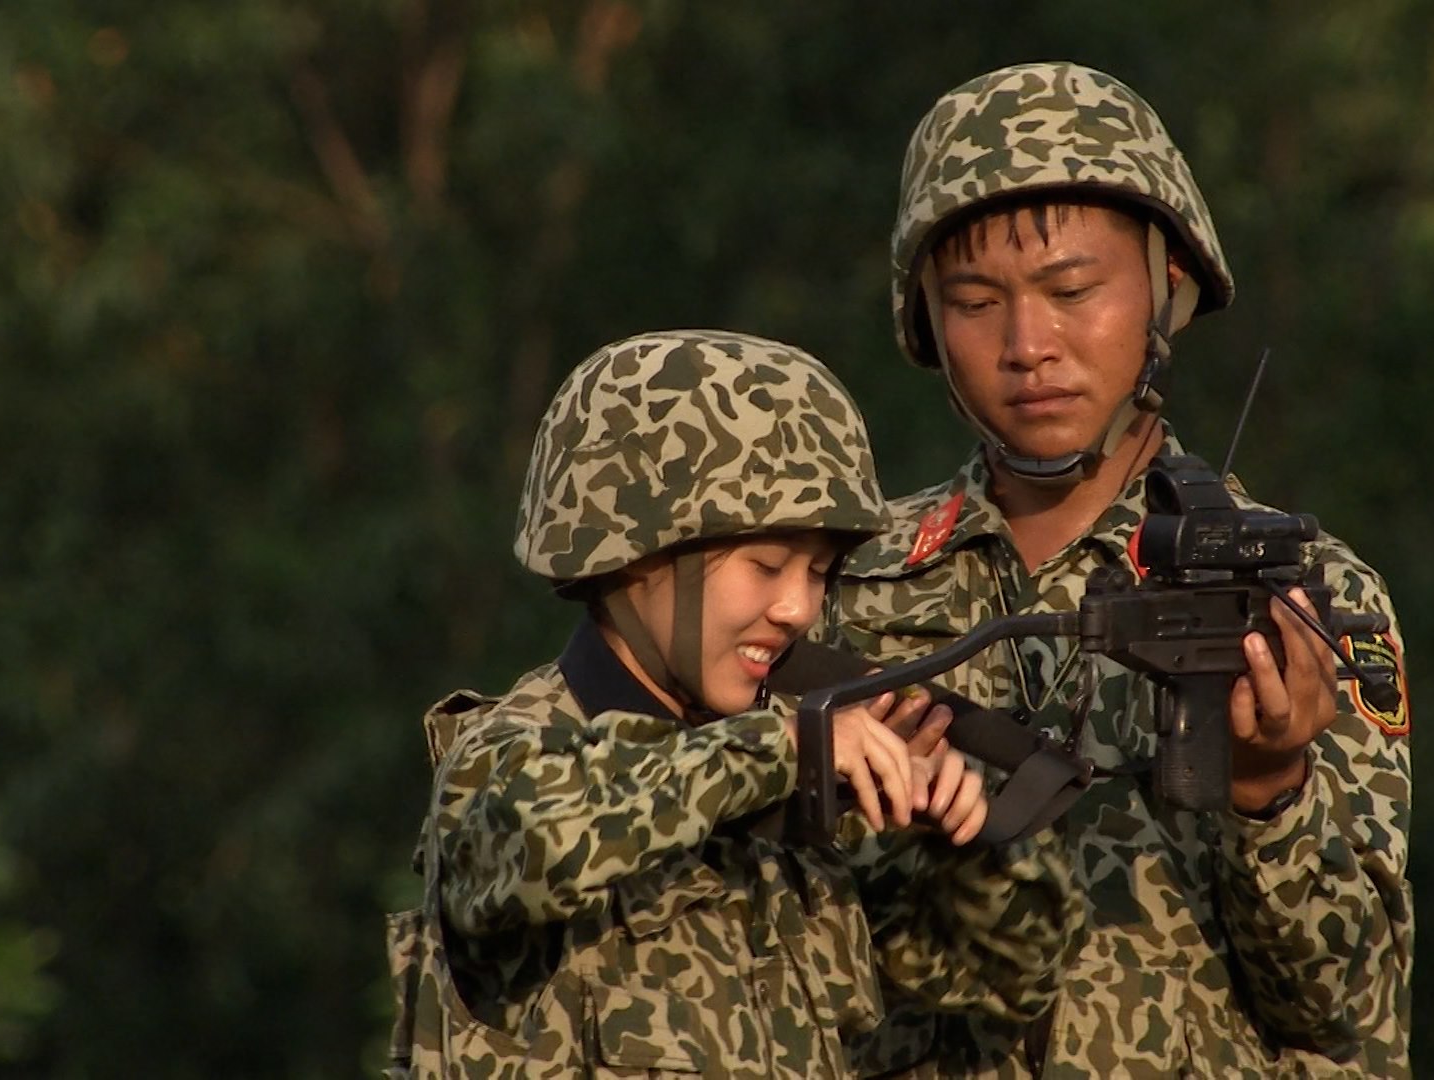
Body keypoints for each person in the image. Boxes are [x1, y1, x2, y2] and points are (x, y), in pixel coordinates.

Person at [829, 63, 1414, 1077]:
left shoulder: (1298, 590)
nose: (1027, 345)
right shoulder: (836, 586)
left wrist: (1273, 787)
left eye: (1071, 290)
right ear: (924, 320)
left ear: (1168, 287)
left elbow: (1344, 1006)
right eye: (974, 301)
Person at [383, 330, 1083, 1079]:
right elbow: (534, 844)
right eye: (767, 565)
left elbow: (1010, 986)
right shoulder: (507, 757)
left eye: (818, 572)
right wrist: (788, 750)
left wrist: (956, 842)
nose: (797, 608)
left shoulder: (807, 814)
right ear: (637, 554)